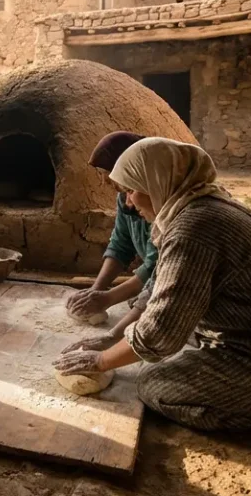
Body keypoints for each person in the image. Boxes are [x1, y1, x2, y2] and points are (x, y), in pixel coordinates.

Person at [54, 138, 251, 437]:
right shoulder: (203, 205)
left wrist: (100, 361)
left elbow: (159, 335)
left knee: (155, 385)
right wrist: (114, 337)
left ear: (156, 183)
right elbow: (163, 295)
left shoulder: (194, 229)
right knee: (166, 331)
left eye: (131, 190)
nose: (128, 202)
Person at [66, 132, 156, 346]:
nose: (104, 180)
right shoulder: (126, 198)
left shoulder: (162, 202)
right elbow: (121, 244)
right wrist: (97, 289)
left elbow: (158, 269)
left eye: (107, 172)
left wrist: (109, 300)